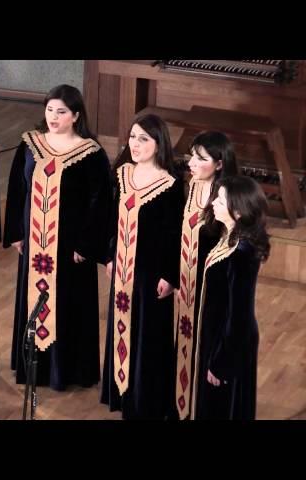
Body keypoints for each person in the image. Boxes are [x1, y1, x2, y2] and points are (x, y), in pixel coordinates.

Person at [3, 84, 112, 391]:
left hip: (70, 249)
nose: (53, 116)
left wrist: (87, 245)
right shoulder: (30, 144)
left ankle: (68, 371)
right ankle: (33, 369)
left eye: (61, 111)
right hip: (34, 243)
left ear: (76, 115)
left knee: (69, 307)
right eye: (49, 110)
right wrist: (15, 232)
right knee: (34, 302)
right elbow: (17, 189)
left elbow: (100, 202)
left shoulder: (90, 154)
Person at [100, 113, 185, 419]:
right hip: (122, 270)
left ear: (159, 143)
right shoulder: (123, 174)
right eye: (132, 137)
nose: (134, 144)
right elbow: (113, 220)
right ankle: (122, 393)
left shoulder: (172, 184)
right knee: (121, 328)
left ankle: (147, 399)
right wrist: (110, 255)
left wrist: (169, 276)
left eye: (143, 139)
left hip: (152, 274)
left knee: (149, 335)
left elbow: (174, 234)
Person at [191, 175, 269, 420]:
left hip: (229, 340)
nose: (214, 202)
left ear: (238, 210)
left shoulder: (242, 253)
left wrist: (222, 361)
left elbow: (239, 314)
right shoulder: (229, 237)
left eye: (221, 200)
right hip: (218, 332)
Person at [173, 131, 238, 420]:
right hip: (185, 287)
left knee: (206, 350)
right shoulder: (189, 188)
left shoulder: (227, 201)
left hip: (210, 292)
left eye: (201, 158)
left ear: (220, 164)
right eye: (191, 155)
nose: (192, 162)